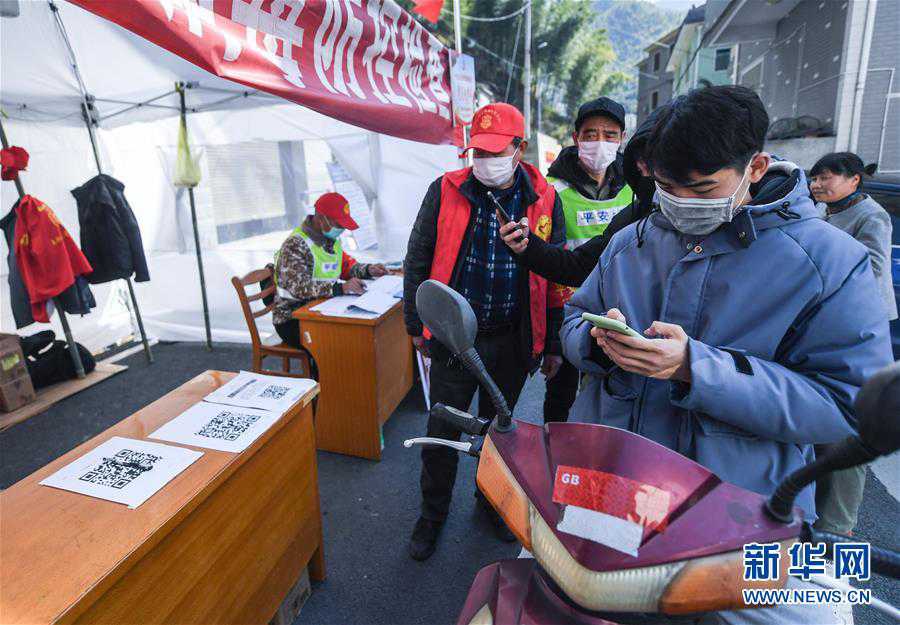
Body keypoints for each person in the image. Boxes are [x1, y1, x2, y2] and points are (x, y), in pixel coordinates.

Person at [560, 86, 892, 625]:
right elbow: (575, 319)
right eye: (668, 187)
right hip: (614, 491)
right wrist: (596, 346)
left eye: (703, 188)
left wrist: (696, 368)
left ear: (755, 166)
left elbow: (846, 405)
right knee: (584, 601)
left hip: (742, 512)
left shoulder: (831, 263)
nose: (683, 203)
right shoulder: (632, 241)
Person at [402, 102, 565, 561]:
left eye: (496, 151)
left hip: (512, 338)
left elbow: (554, 279)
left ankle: (489, 503)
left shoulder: (545, 199)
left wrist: (551, 343)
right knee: (442, 430)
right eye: (478, 151)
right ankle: (431, 516)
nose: (485, 161)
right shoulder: (446, 189)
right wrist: (416, 325)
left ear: (520, 148)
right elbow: (418, 258)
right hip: (454, 339)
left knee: (500, 430)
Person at [498, 98, 661, 423]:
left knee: (610, 399)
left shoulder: (637, 193)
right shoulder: (551, 190)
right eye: (591, 134)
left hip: (624, 316)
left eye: (610, 134)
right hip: (571, 313)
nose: (600, 143)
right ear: (576, 137)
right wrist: (551, 337)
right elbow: (572, 265)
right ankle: (556, 459)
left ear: (622, 139)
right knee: (560, 397)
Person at [808, 152, 896, 538]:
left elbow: (873, 273)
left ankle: (836, 529)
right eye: (815, 178)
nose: (818, 185)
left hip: (859, 330)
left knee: (849, 427)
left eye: (827, 178)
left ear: (854, 180)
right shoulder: (823, 212)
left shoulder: (870, 216)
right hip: (825, 328)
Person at [272, 192, 387, 348]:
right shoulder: (296, 244)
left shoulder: (330, 240)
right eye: (339, 225)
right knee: (338, 342)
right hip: (292, 318)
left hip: (322, 308)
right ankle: (320, 372)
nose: (341, 230)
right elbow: (298, 288)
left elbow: (345, 267)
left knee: (360, 335)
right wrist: (340, 288)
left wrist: (368, 270)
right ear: (320, 219)